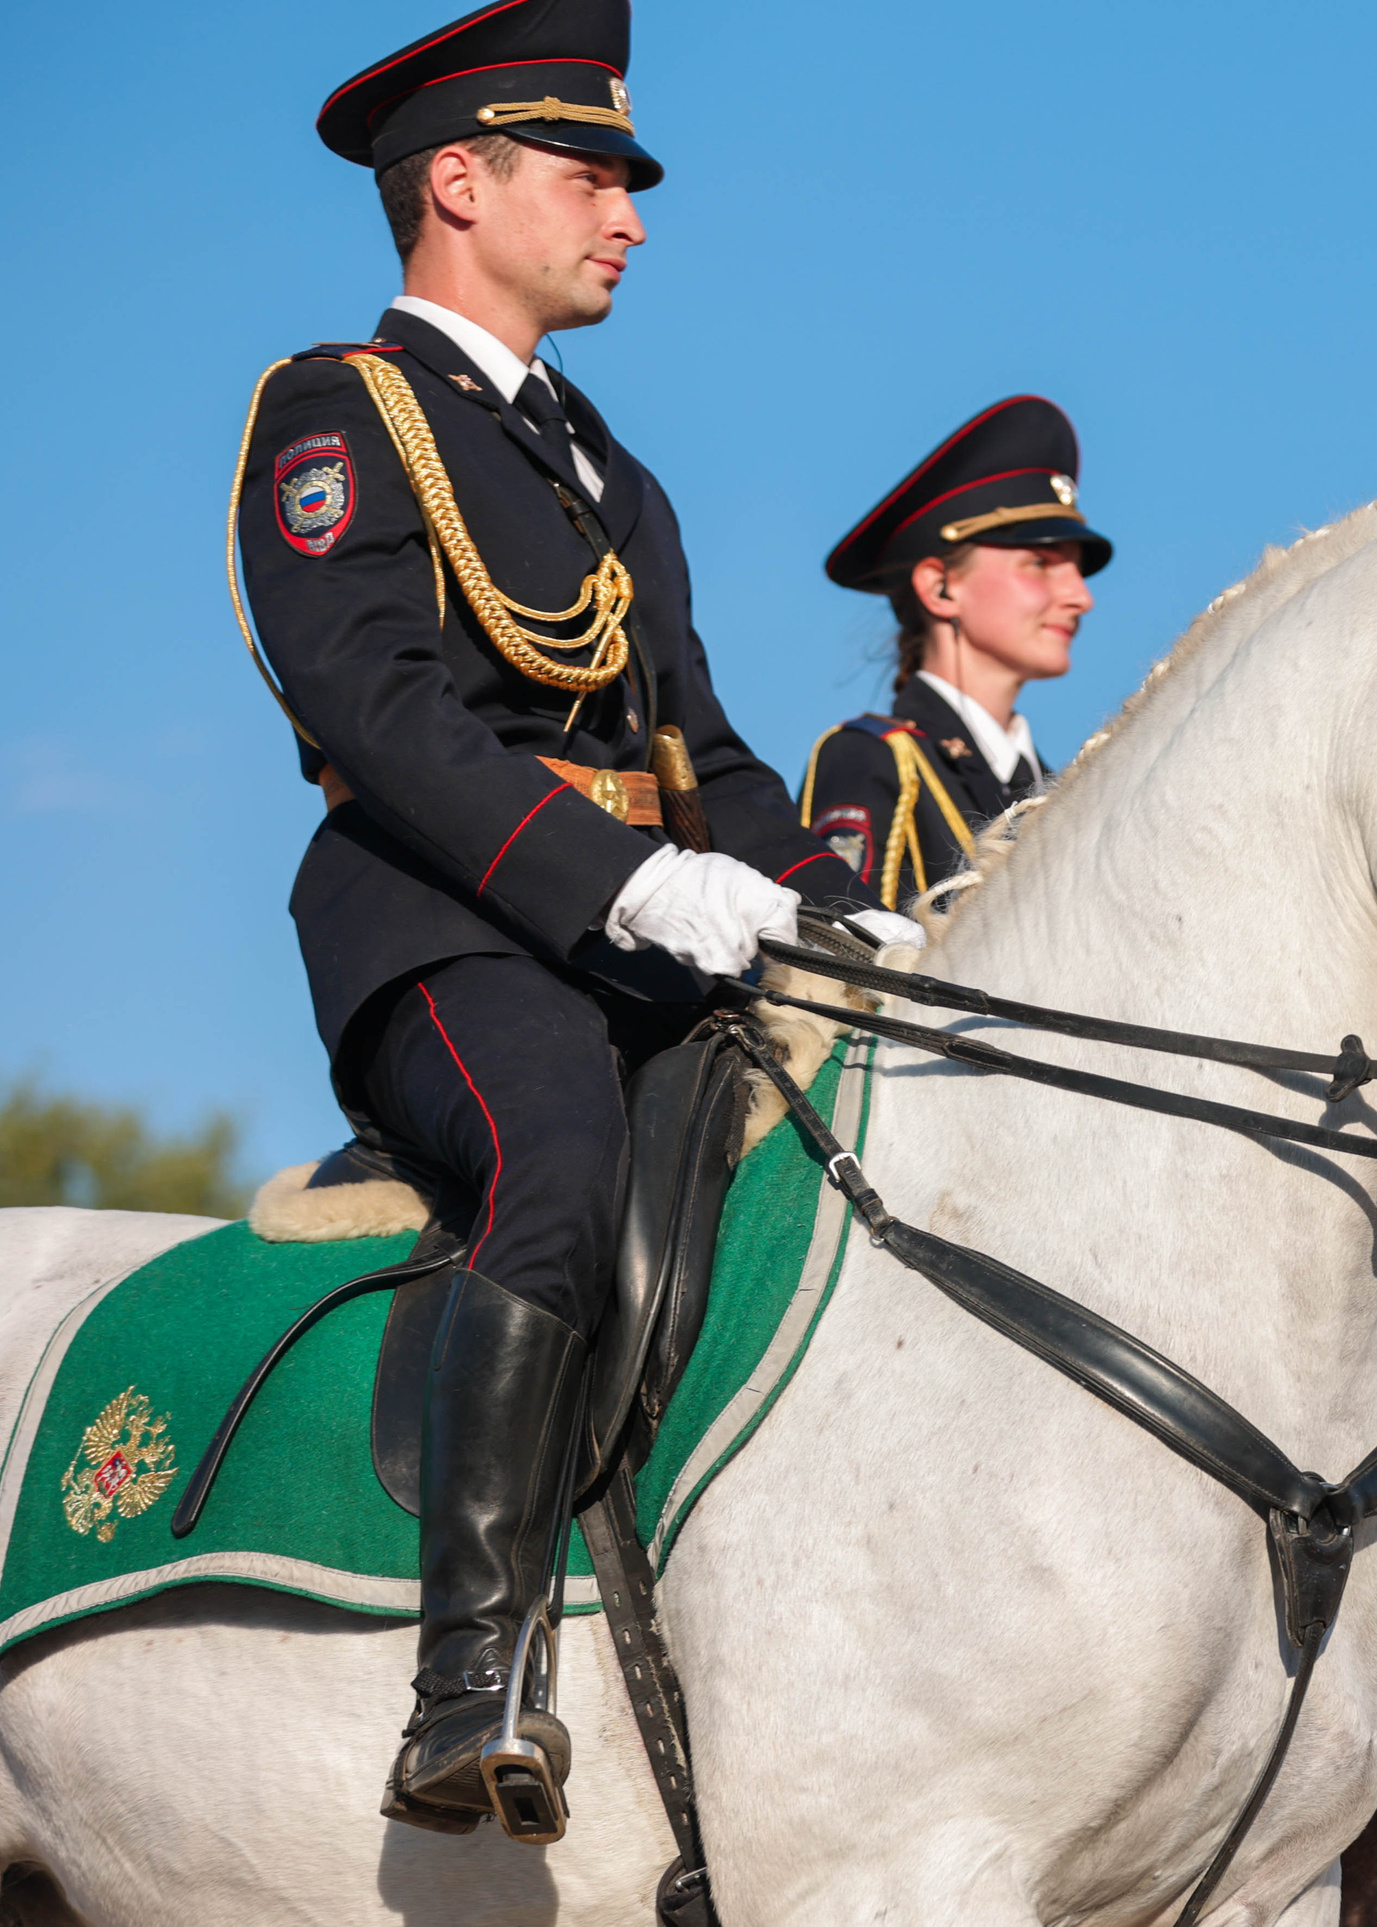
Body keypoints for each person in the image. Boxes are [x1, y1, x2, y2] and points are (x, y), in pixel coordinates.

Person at [234, 0, 857, 1840]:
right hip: (436, 930)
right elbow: (375, 702)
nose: (632, 216)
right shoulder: (335, 412)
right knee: (558, 1151)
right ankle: (467, 1678)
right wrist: (621, 878)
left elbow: (715, 765)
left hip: (627, 939)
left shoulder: (614, 474)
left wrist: (856, 918)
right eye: (592, 173)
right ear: (456, 178)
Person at [798, 396, 1111, 911]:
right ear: (941, 588)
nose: (1081, 596)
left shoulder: (1060, 795)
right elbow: (848, 980)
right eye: (1039, 563)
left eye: (1077, 569)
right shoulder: (876, 760)